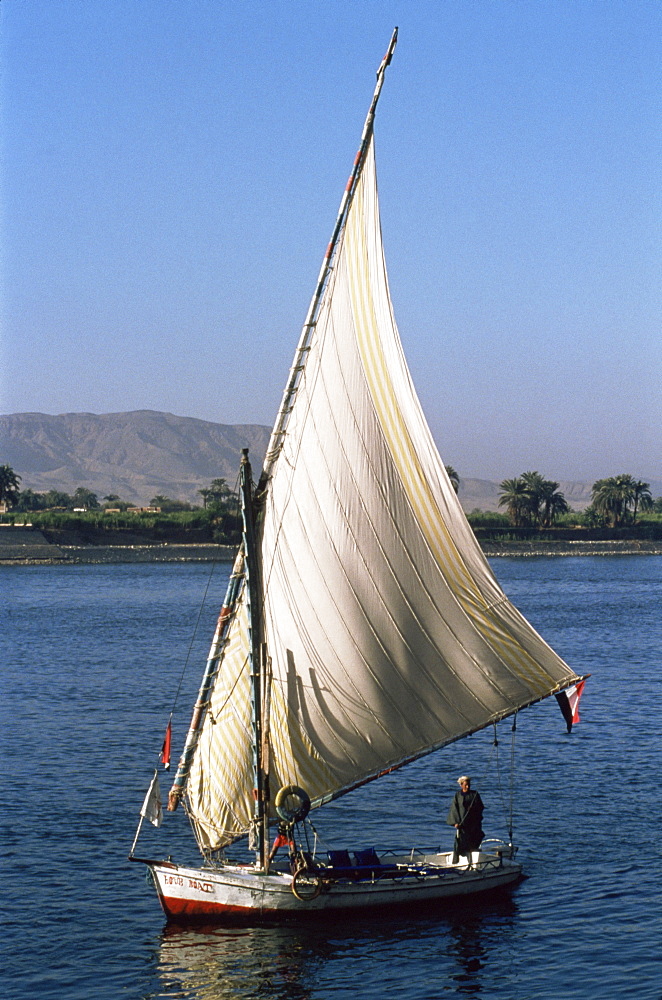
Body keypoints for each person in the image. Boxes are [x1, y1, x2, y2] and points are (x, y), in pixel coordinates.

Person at [447, 775, 484, 866]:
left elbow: (480, 807)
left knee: (475, 838)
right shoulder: (458, 795)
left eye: (469, 785)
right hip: (462, 824)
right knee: (460, 841)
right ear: (461, 785)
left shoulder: (474, 794)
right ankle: (458, 860)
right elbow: (454, 809)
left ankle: (472, 859)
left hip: (473, 823)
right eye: (465, 785)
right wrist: (455, 822)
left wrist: (474, 808)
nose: (467, 787)